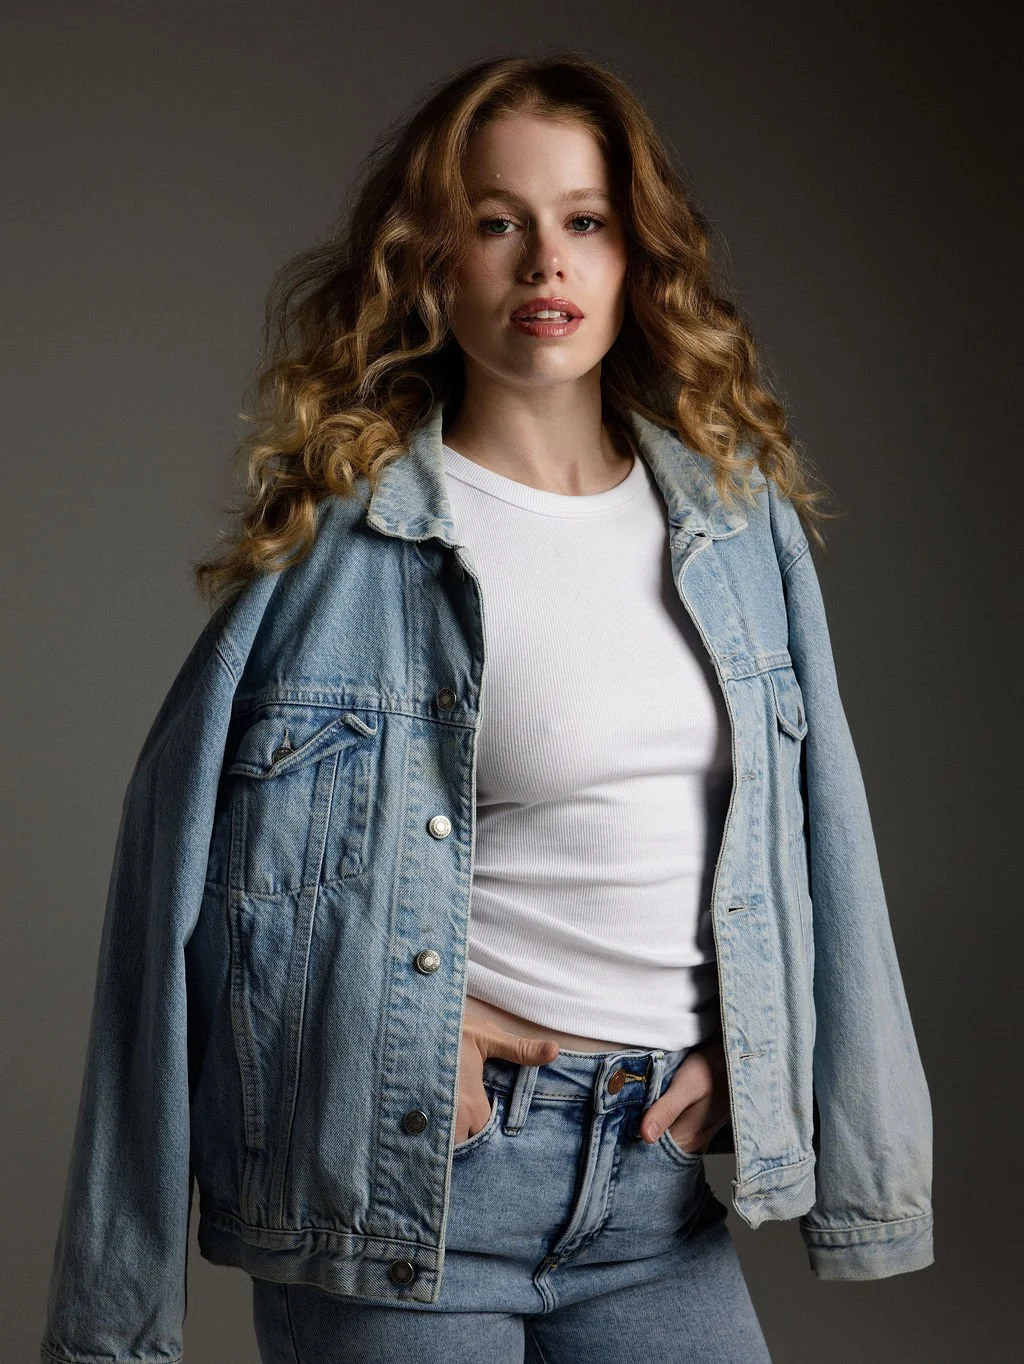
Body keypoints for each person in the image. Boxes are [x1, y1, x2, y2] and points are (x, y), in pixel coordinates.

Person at [39, 53, 934, 1364]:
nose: (545, 267)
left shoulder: (741, 529)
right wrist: (385, 1018)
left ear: (638, 259)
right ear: (430, 262)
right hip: (420, 1188)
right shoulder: (342, 546)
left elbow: (818, 848)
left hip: (660, 1198)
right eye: (496, 223)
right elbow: (182, 889)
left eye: (584, 222)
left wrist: (778, 1062)